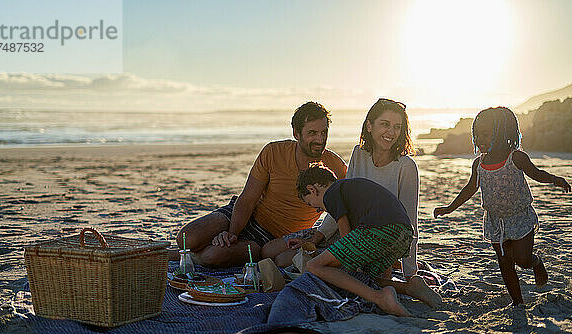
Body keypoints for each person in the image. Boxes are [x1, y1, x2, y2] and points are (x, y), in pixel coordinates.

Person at [267, 98, 441, 307]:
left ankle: (401, 286)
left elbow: (409, 221)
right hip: (353, 234)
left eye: (397, 127)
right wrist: (317, 236)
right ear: (369, 125)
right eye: (385, 124)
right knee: (278, 255)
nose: (391, 132)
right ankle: (404, 289)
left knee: (302, 264)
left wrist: (410, 272)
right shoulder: (359, 155)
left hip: (377, 238)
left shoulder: (406, 166)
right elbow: (341, 204)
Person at [174, 101, 347, 268]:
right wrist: (232, 233)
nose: (320, 139)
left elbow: (347, 204)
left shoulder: (335, 166)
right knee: (186, 238)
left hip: (270, 239)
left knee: (212, 256)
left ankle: (189, 255)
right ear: (297, 134)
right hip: (244, 215)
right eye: (312, 133)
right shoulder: (273, 152)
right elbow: (248, 199)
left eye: (324, 132)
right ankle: (192, 249)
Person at [434, 107, 570, 305]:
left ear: (502, 134)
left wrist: (554, 179)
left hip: (519, 217)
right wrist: (449, 208)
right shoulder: (478, 164)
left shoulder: (516, 157)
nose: (480, 139)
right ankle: (518, 303)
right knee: (505, 263)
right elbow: (470, 188)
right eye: (477, 135)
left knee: (522, 261)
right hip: (494, 221)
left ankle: (536, 262)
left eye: (486, 135)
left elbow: (536, 173)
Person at [296, 164, 414, 317]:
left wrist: (343, 263)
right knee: (366, 278)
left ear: (312, 189)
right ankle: (412, 288)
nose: (318, 210)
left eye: (311, 203)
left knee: (314, 266)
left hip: (382, 231)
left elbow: (345, 237)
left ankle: (379, 298)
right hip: (403, 234)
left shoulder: (331, 193)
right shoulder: (349, 189)